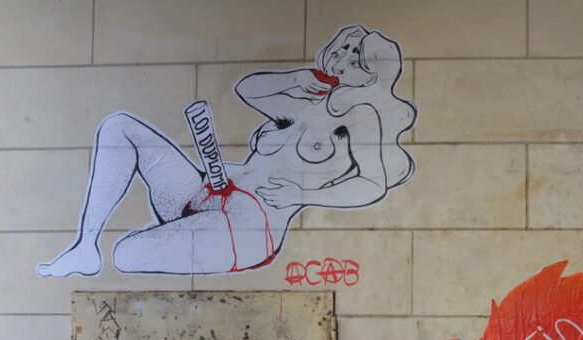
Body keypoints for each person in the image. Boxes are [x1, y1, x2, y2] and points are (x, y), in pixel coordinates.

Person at [37, 25, 415, 277]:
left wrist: (301, 194)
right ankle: (85, 247)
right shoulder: (306, 105)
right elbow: (248, 89)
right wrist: (296, 78)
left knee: (125, 254)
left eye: (356, 56)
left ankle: (145, 243)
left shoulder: (363, 117)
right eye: (344, 48)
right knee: (120, 127)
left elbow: (372, 184)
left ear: (372, 72)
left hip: (249, 224)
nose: (344, 58)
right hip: (207, 189)